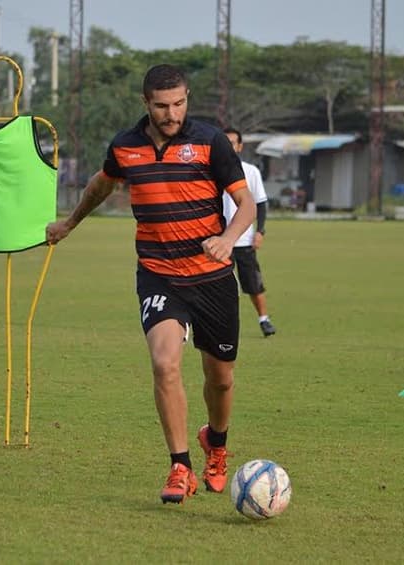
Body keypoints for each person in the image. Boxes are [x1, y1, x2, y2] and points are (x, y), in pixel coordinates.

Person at [46, 64, 256, 504]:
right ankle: (180, 466)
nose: (171, 113)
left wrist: (227, 238)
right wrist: (69, 223)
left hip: (213, 277)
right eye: (161, 105)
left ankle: (215, 444)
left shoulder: (210, 142)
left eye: (179, 103)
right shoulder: (126, 147)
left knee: (220, 379)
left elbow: (245, 204)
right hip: (159, 274)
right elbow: (100, 186)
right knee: (165, 364)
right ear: (146, 103)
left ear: (187, 99)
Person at [222, 127, 276, 337]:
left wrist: (260, 231)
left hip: (243, 240)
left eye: (232, 143)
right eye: (224, 143)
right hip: (219, 241)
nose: (229, 147)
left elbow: (261, 204)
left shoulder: (250, 171)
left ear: (240, 146)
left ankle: (264, 320)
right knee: (218, 288)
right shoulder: (211, 170)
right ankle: (220, 325)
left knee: (253, 284)